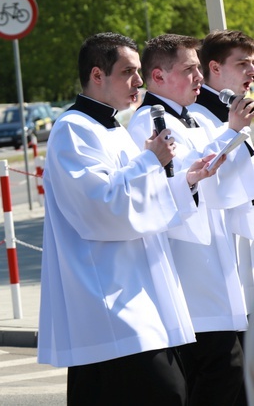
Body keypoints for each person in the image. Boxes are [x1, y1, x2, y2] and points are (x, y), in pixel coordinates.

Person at [37, 32, 220, 405]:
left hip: (138, 287)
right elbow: (102, 208)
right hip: (107, 291)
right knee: (166, 392)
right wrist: (151, 160)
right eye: (128, 72)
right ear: (97, 75)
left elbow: (143, 197)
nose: (138, 81)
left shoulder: (114, 128)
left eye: (138, 72)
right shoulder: (72, 130)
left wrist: (186, 181)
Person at [127, 34, 254, 405]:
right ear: (158, 77)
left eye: (199, 68)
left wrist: (234, 137)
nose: (199, 77)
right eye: (189, 69)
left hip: (216, 258)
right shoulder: (148, 122)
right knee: (219, 370)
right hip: (188, 266)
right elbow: (182, 185)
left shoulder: (194, 117)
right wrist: (230, 133)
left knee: (227, 371)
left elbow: (228, 180)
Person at [190, 29, 254, 405]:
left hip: (242, 257)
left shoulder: (236, 112)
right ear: (214, 67)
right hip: (216, 257)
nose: (251, 71)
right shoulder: (201, 118)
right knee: (223, 375)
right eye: (242, 64)